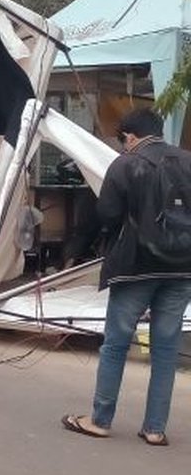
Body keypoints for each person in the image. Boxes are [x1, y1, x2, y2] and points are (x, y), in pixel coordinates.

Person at [62, 109, 191, 447]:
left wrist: (82, 246)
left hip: (136, 266)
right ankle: (155, 429)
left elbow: (106, 215)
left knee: (116, 343)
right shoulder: (189, 162)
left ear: (131, 136)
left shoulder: (125, 164)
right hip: (182, 269)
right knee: (165, 349)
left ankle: (100, 420)